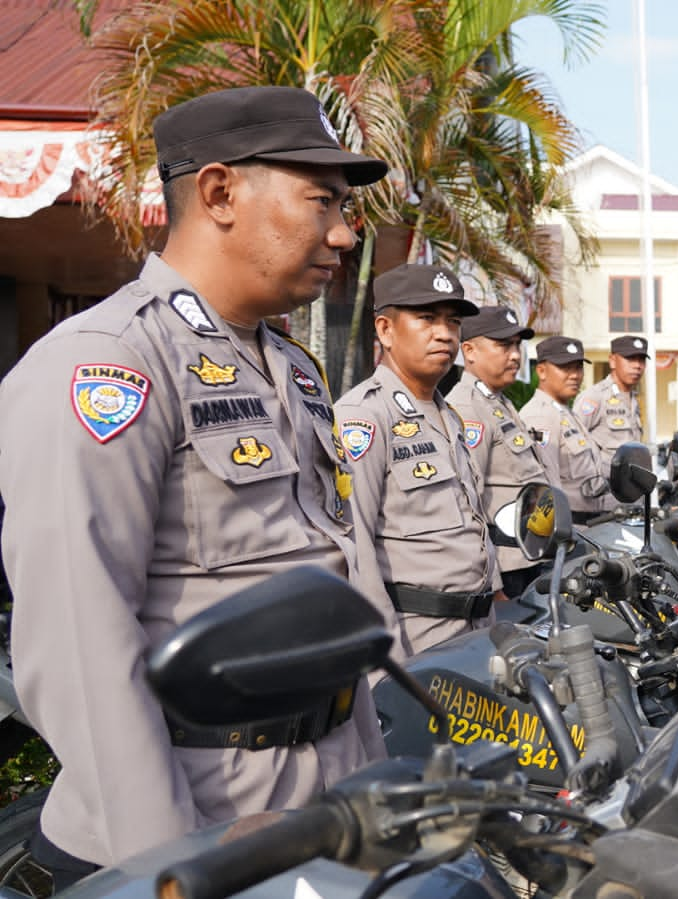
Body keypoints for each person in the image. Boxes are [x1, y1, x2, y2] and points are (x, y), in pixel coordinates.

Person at [0, 85, 392, 882]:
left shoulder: (293, 368)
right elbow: (77, 644)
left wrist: (370, 789)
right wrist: (169, 865)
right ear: (218, 193)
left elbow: (333, 580)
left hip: (322, 800)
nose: (345, 233)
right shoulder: (109, 362)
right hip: (193, 821)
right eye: (322, 201)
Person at [335, 264, 498, 659]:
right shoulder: (363, 417)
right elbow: (353, 554)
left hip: (476, 632)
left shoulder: (449, 416)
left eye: (453, 322)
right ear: (385, 330)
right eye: (426, 318)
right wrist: (384, 667)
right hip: (415, 642)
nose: (444, 333)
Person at [444, 304, 545, 600]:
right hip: (506, 570)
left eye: (517, 345)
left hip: (528, 561)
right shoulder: (467, 407)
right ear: (469, 351)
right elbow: (468, 504)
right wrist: (494, 585)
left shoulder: (498, 403)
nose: (515, 354)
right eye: (503, 345)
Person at [519, 336, 613, 521]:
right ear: (542, 371)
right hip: (567, 528)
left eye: (578, 367)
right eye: (565, 368)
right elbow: (544, 488)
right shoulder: (540, 416)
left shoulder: (566, 413)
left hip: (589, 525)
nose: (575, 375)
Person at [575, 335, 648, 470]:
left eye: (641, 360)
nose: (637, 366)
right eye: (630, 359)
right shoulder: (594, 397)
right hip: (602, 486)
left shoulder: (633, 399)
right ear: (613, 361)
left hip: (629, 485)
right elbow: (573, 447)